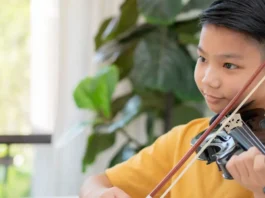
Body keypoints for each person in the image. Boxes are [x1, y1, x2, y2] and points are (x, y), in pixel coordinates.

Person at [79, 0, 265, 197]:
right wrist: (99, 193)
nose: (208, 79)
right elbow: (96, 183)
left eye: (228, 65)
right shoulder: (188, 140)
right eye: (202, 59)